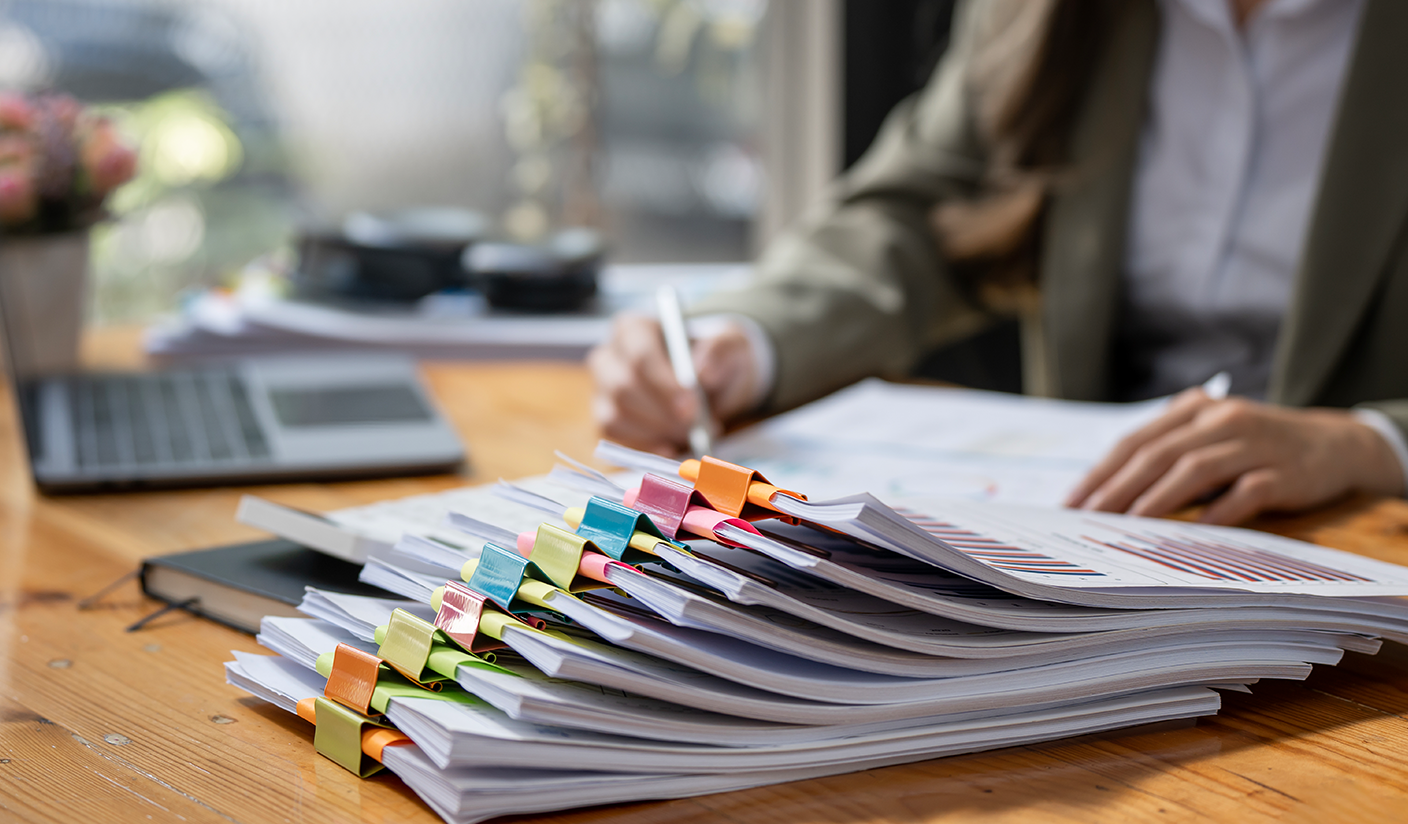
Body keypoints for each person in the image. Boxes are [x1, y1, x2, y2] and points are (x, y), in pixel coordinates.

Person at [589, 0, 1408, 526]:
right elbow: (920, 210)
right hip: (1109, 544)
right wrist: (747, 340)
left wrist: (1366, 443)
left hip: (1361, 548)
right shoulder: (1053, 17)